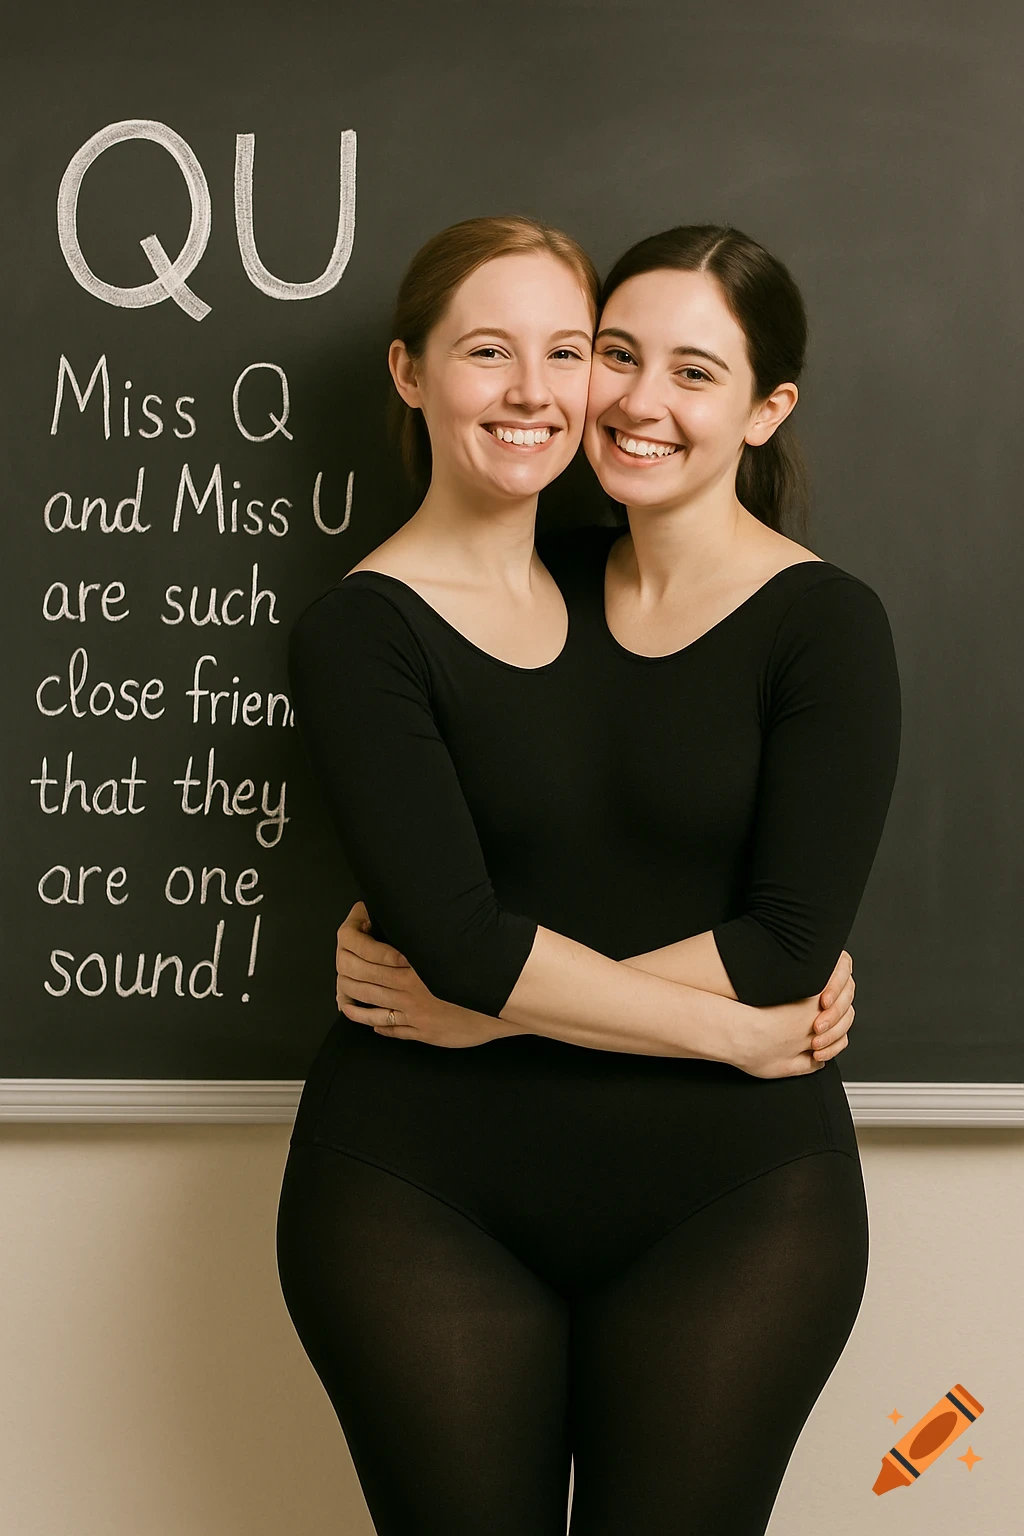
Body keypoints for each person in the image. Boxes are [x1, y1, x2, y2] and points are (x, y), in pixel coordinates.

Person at [277, 217, 900, 1536]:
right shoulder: (497, 582)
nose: (624, 397)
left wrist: (492, 1003)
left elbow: (787, 945)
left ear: (768, 410)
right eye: (614, 354)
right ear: (412, 371)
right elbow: (456, 931)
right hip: (423, 1181)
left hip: (732, 1193)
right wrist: (728, 1028)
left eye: (693, 370)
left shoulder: (824, 622)